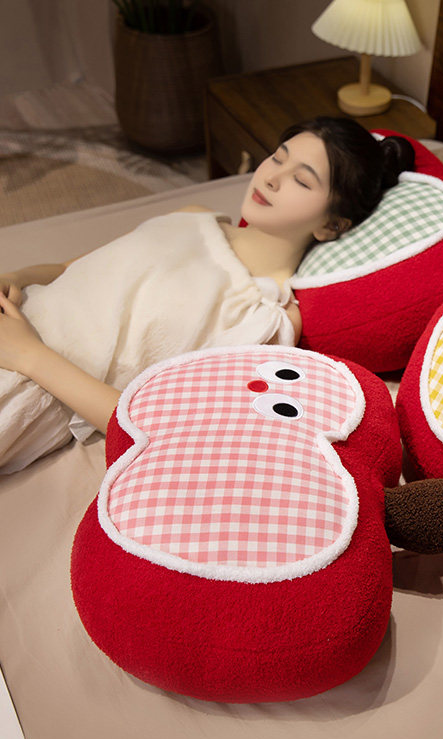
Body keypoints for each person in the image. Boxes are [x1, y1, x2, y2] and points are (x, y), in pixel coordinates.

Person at [0, 117, 415, 473]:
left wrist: (29, 356)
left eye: (301, 180)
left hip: (24, 384)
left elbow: (151, 425)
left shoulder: (266, 315)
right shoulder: (194, 217)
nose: (270, 177)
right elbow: (69, 269)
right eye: (278, 157)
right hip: (19, 309)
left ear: (332, 226)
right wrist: (15, 276)